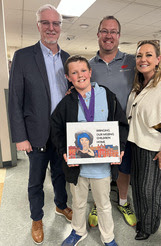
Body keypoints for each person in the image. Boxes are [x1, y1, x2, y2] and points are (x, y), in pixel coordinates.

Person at [88, 15, 161, 228]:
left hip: (126, 131)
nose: (109, 35)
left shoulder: (131, 60)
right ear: (98, 34)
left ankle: (123, 202)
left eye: (113, 31)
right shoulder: (89, 65)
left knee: (125, 170)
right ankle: (97, 203)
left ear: (119, 36)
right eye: (105, 31)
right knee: (100, 171)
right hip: (100, 129)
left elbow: (157, 66)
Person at [8, 4, 72, 245]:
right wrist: (20, 136)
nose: (51, 28)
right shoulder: (23, 56)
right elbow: (15, 99)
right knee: (35, 180)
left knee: (59, 175)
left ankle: (61, 205)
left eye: (55, 23)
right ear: (38, 26)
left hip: (61, 133)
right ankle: (36, 218)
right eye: (46, 23)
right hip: (34, 133)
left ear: (60, 28)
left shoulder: (67, 59)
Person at [50, 55, 129, 246]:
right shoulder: (67, 102)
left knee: (103, 205)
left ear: (90, 72)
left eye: (83, 70)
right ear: (69, 77)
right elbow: (56, 128)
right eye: (74, 73)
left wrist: (120, 148)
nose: (80, 75)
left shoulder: (107, 96)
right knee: (78, 204)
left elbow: (121, 125)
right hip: (78, 168)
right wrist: (64, 151)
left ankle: (108, 238)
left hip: (102, 167)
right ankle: (78, 232)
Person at [126, 40, 161, 240]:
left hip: (160, 147)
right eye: (139, 55)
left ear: (158, 59)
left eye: (149, 55)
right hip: (140, 143)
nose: (143, 59)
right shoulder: (139, 83)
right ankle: (142, 219)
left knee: (152, 191)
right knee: (140, 187)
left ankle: (149, 227)